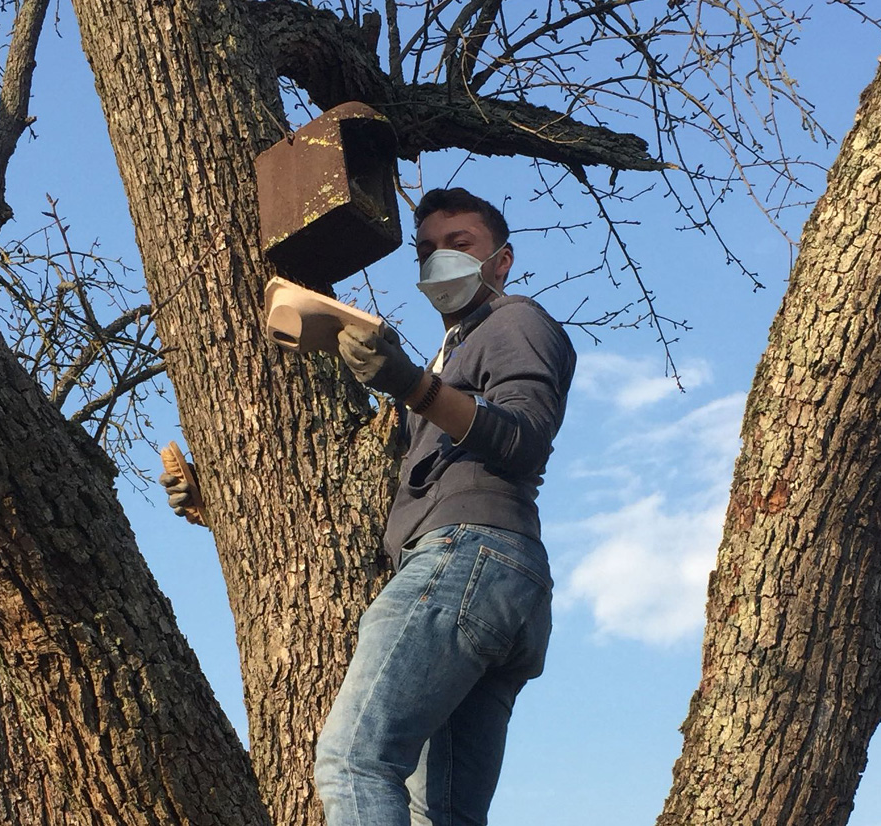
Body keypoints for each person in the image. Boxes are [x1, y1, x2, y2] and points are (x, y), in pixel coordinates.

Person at [162, 187, 575, 826]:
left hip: (468, 555)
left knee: (355, 760)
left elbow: (523, 438)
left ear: (502, 260)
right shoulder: (456, 347)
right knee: (438, 812)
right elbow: (379, 494)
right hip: (501, 584)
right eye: (427, 251)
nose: (441, 259)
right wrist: (217, 509)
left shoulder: (516, 320)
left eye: (459, 244)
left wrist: (411, 383)